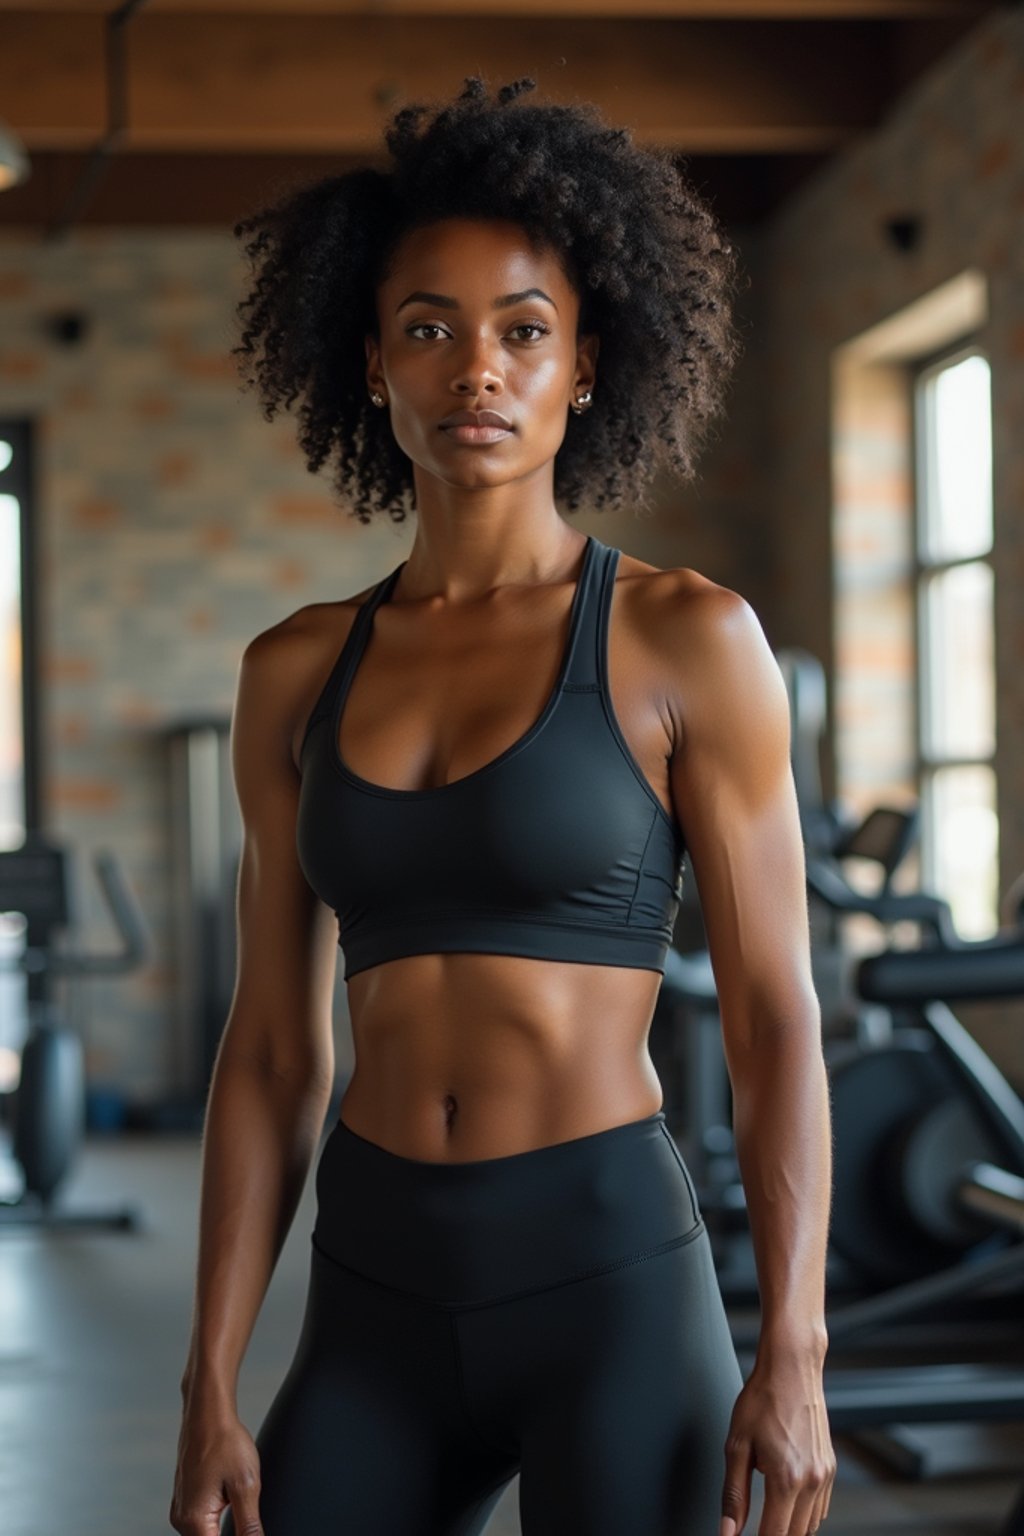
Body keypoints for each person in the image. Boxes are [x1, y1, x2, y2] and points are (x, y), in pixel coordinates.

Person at [170, 74, 836, 1536]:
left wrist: (794, 1342)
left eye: (524, 331)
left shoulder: (684, 639)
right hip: (374, 1286)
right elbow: (275, 1048)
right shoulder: (294, 671)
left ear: (586, 365)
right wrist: (208, 1379)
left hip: (608, 1282)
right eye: (431, 329)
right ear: (369, 364)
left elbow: (777, 1010)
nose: (479, 369)